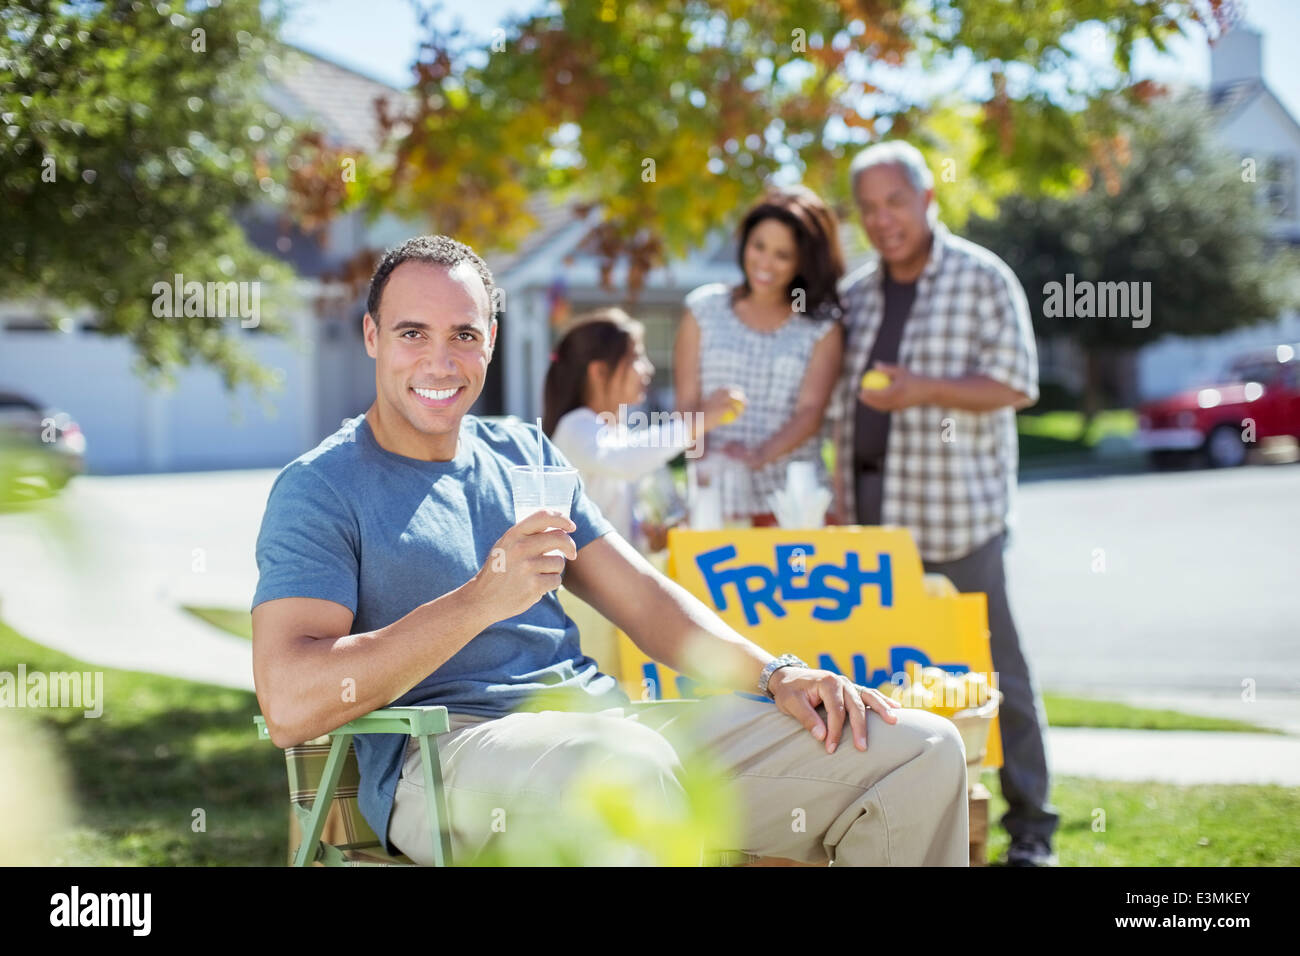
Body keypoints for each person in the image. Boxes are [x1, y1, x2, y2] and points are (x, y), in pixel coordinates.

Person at [250, 234, 969, 866]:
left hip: (607, 727)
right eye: (414, 333)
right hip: (447, 760)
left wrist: (779, 673)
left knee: (915, 751)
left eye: (464, 335)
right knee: (624, 767)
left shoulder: (523, 453)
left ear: (491, 340)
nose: (441, 360)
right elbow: (290, 700)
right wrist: (478, 601)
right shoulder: (321, 487)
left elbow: (648, 604)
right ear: (372, 336)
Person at [826, 140, 1060, 866]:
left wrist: (921, 389)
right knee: (886, 682)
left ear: (928, 199)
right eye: (868, 208)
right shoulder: (858, 294)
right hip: (872, 528)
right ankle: (887, 823)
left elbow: (1018, 384)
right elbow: (840, 407)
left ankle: (1033, 831)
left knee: (997, 675)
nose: (883, 219)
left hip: (958, 520)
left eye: (896, 201)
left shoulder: (984, 278)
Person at [674, 185, 845, 525]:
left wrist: (757, 456)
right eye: (759, 246)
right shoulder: (704, 308)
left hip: (792, 505)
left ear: (802, 262)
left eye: (783, 255)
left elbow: (810, 413)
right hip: (716, 501)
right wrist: (704, 465)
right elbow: (687, 402)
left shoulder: (821, 328)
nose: (765, 263)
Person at [543, 307, 742, 553]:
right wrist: (698, 422)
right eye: (636, 358)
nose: (648, 368)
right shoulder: (575, 427)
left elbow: (619, 521)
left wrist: (648, 539)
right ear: (599, 371)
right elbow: (624, 461)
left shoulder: (616, 433)